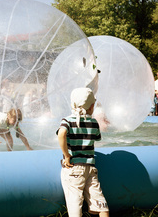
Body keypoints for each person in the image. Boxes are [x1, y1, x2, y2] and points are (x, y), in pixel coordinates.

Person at [56, 88, 109, 217]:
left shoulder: (67, 120)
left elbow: (61, 133)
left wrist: (67, 155)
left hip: (73, 168)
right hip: (90, 168)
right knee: (101, 204)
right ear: (91, 107)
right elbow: (96, 138)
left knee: (74, 202)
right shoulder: (94, 123)